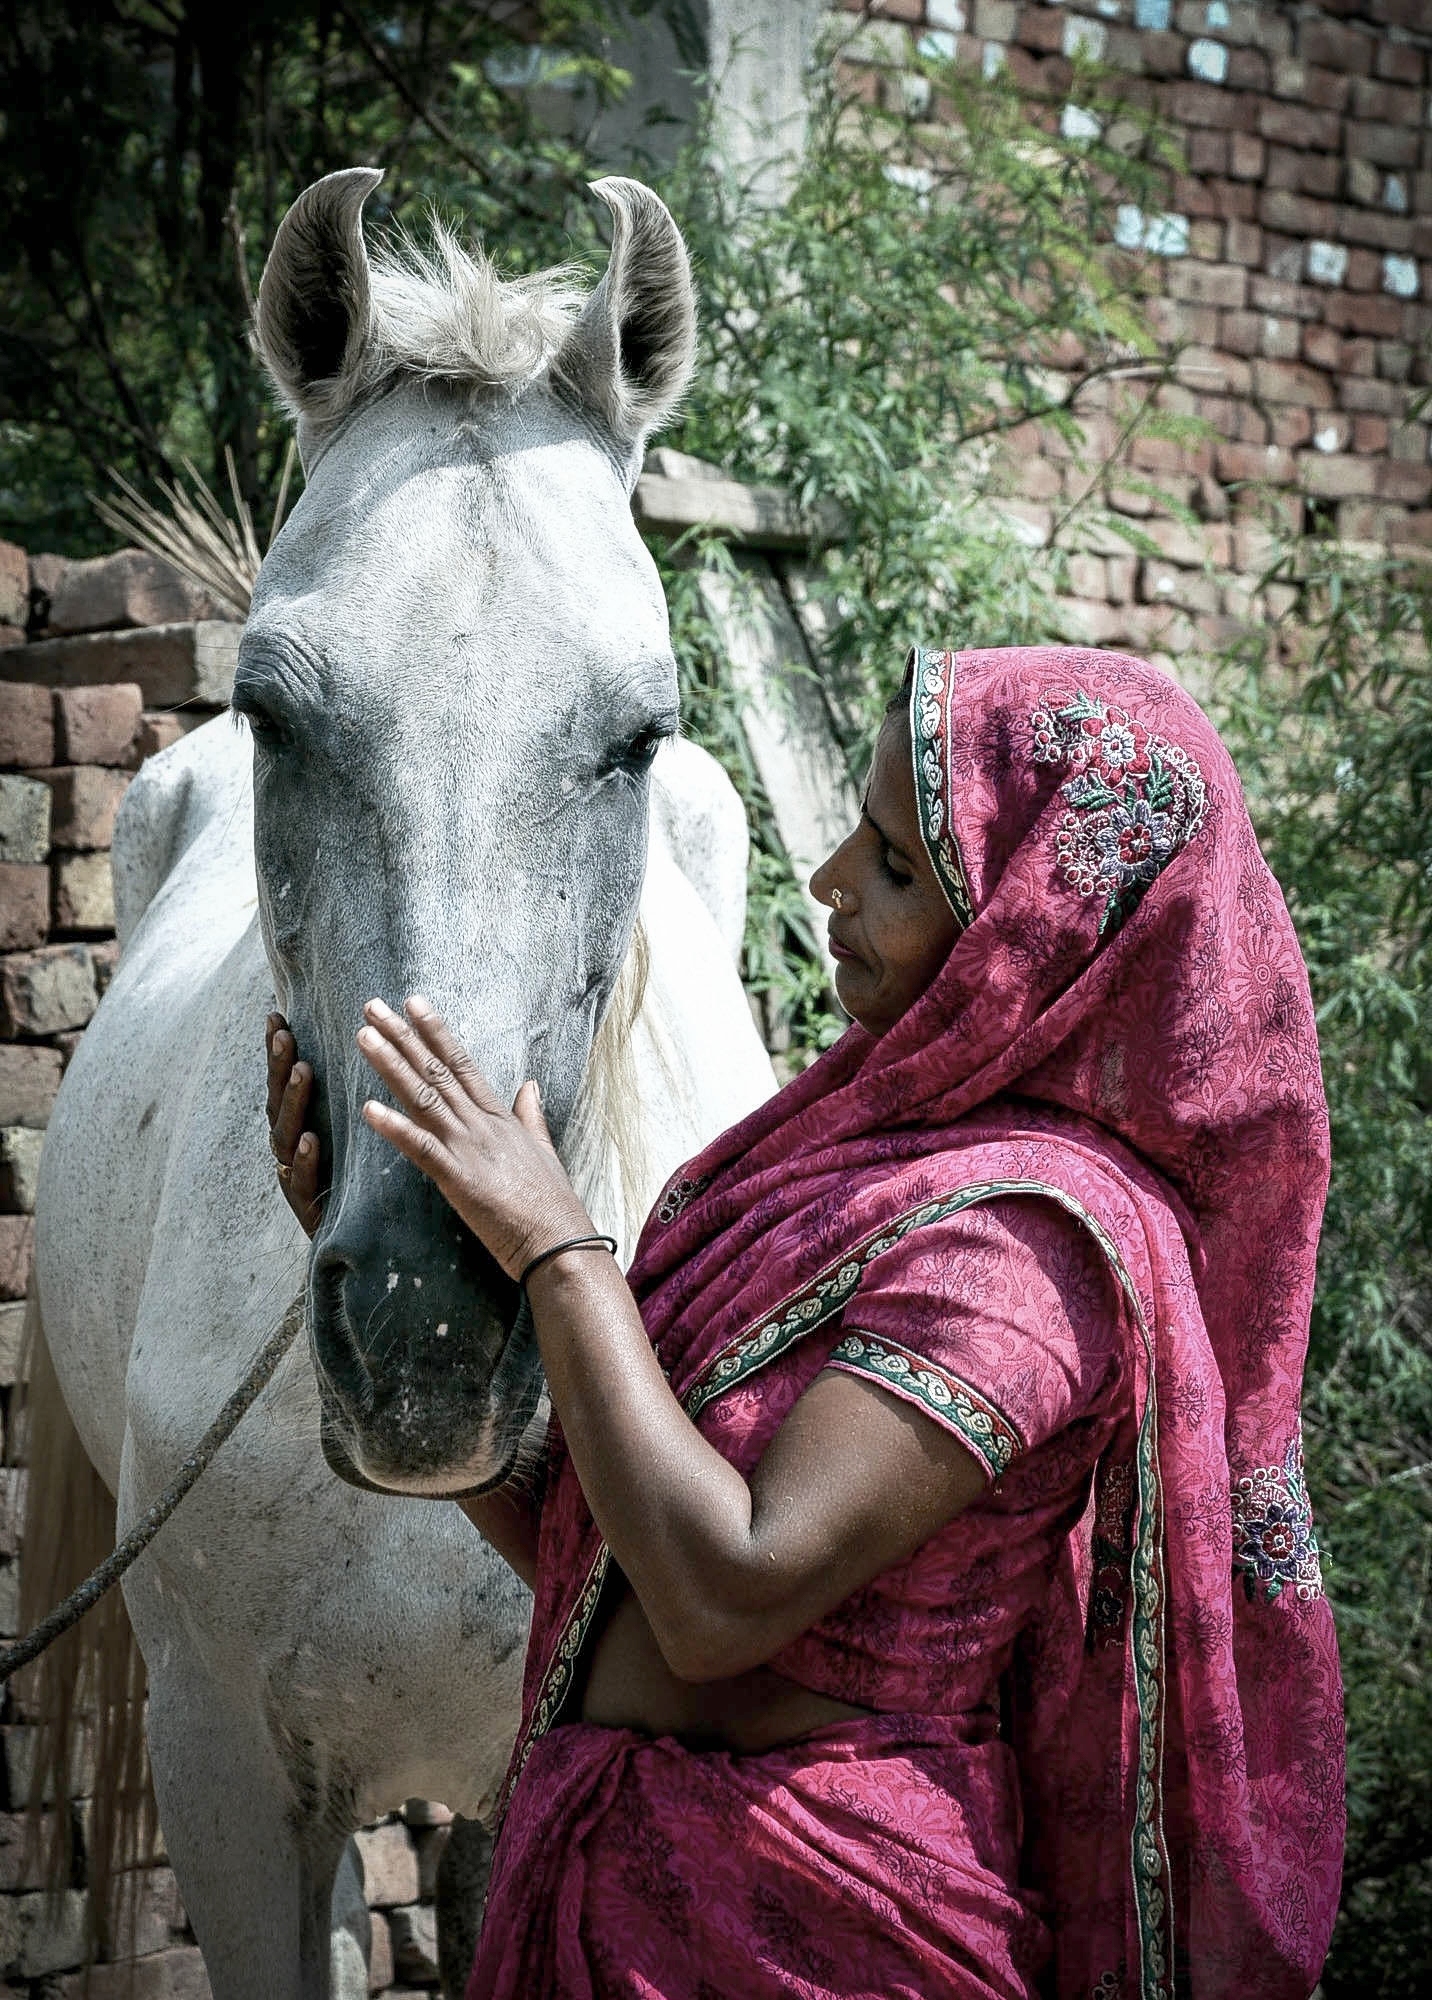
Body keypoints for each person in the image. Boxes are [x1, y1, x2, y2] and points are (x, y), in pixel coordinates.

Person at [266, 646, 1344, 2000]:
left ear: (1036, 933)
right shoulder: (831, 1167)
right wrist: (405, 1283)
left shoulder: (1028, 1243)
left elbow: (726, 1596)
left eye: (892, 862)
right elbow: (604, 1548)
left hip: (821, 1922)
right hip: (617, 1879)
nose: (830, 879)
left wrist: (554, 1247)